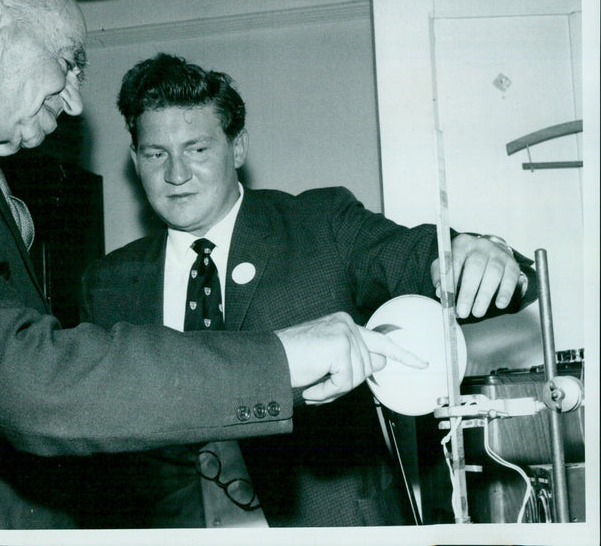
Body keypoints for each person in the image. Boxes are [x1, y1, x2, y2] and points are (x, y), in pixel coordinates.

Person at [0, 0, 424, 531]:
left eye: (197, 150)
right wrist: (282, 360)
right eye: (67, 61)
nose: (75, 100)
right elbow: (26, 378)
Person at [79, 53, 538, 528]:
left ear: (237, 148)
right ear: (135, 161)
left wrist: (478, 251)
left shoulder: (321, 224)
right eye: (156, 154)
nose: (176, 174)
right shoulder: (108, 283)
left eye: (197, 149)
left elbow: (416, 256)